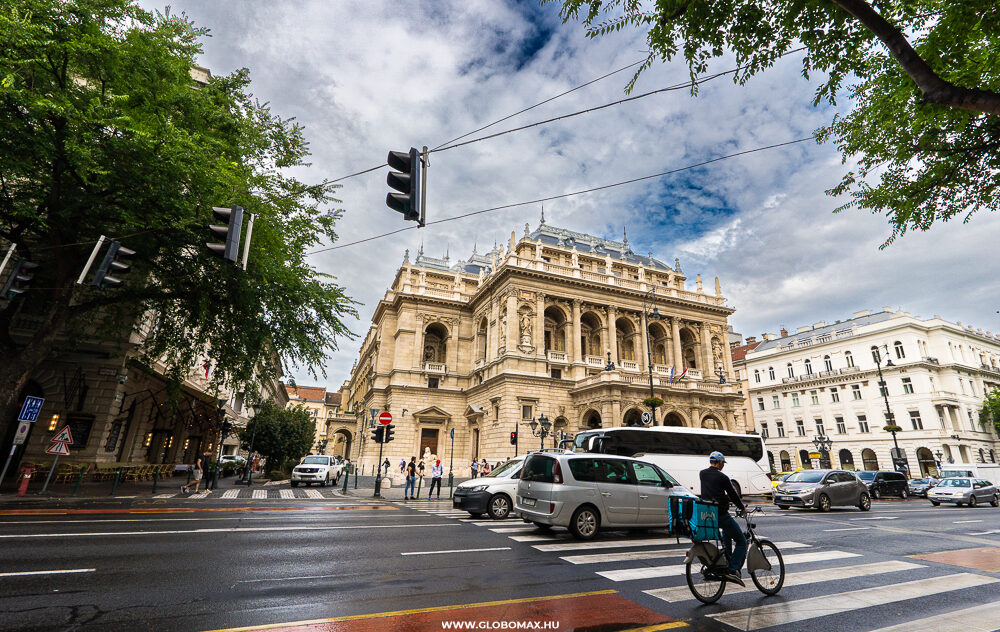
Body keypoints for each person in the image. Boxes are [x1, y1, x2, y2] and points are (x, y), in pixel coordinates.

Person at [700, 451, 747, 586]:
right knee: (741, 541)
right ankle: (732, 569)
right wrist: (742, 508)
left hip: (708, 514)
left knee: (726, 534)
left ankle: (727, 559)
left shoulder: (702, 474)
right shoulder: (723, 477)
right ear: (720, 462)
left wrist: (723, 498)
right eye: (723, 463)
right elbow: (733, 494)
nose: (723, 466)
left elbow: (712, 491)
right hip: (721, 514)